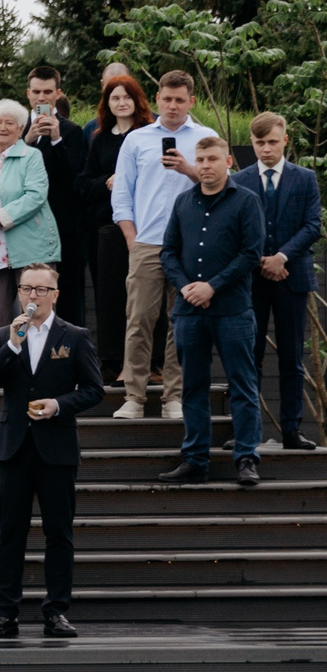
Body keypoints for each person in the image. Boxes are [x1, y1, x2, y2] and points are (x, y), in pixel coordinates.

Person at [0, 266, 101, 640]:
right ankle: (5, 613)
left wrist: (58, 405)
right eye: (26, 288)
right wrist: (13, 346)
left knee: (59, 533)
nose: (33, 296)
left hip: (56, 448)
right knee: (10, 533)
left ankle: (56, 611)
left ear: (55, 294)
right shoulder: (5, 335)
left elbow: (94, 389)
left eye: (41, 289)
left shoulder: (74, 336)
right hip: (14, 447)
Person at [157, 136, 268, 486]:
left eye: (212, 159)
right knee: (192, 386)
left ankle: (246, 458)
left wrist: (212, 286)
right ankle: (195, 459)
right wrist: (187, 287)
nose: (205, 165)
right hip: (189, 312)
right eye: (201, 159)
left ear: (228, 162)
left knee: (243, 385)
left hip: (233, 311)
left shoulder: (247, 201)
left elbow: (251, 253)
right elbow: (168, 252)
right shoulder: (183, 202)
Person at [110, 71, 221, 419]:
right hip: (146, 242)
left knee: (183, 323)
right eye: (167, 99)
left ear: (191, 102)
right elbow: (121, 194)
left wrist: (189, 169)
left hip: (192, 245)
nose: (173, 106)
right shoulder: (137, 139)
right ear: (157, 98)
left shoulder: (206, 138)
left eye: (180, 100)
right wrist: (131, 238)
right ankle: (134, 397)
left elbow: (221, 186)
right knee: (139, 319)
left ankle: (174, 397)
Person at [235, 113, 321, 453]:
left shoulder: (305, 178)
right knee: (249, 356)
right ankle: (247, 432)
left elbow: (312, 226)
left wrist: (281, 257)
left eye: (272, 141)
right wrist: (261, 260)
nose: (266, 149)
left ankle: (292, 431)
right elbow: (235, 228)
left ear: (285, 139)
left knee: (291, 357)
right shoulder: (239, 180)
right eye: (260, 143)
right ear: (252, 143)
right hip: (251, 279)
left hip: (292, 276)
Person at [0, 100, 59, 343]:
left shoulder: (31, 156)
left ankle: (39, 361)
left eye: (10, 123)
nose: (2, 127)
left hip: (31, 245)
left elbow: (36, 195)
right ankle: (3, 361)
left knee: (35, 311)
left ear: (20, 129)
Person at [85, 73, 152, 382]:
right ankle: (113, 362)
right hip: (109, 228)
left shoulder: (148, 135)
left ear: (137, 100)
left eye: (127, 97)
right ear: (107, 103)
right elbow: (84, 183)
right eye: (115, 98)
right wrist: (108, 182)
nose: (121, 102)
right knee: (111, 298)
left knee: (144, 298)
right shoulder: (99, 138)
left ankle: (150, 363)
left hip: (146, 226)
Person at [22, 65, 91, 329]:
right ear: (28, 94)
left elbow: (76, 179)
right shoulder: (17, 130)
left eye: (47, 92)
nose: (41, 97)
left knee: (69, 294)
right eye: (36, 92)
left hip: (65, 227)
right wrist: (26, 141)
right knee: (30, 294)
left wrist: (56, 140)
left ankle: (71, 348)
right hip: (26, 226)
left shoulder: (72, 131)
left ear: (58, 94)